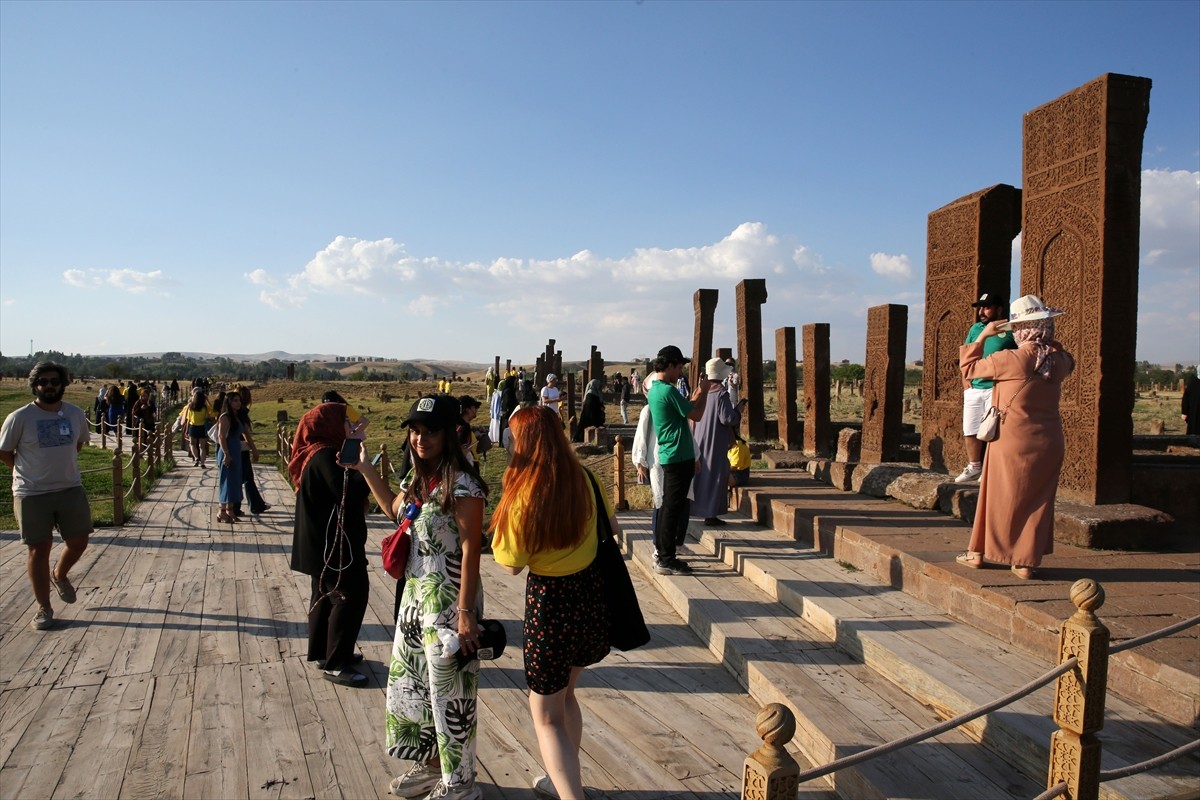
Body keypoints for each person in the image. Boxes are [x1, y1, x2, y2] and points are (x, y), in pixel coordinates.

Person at [347, 396, 488, 800]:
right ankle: (431, 766)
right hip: (413, 597)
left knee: (450, 692)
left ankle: (460, 784)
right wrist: (365, 468)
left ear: (448, 434)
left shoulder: (464, 485)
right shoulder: (418, 479)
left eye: (429, 431)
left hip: (448, 599)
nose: (420, 438)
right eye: (414, 431)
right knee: (414, 686)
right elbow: (394, 510)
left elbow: (471, 548)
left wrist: (466, 612)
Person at [490, 406, 615, 800]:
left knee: (545, 716)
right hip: (590, 597)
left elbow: (511, 564)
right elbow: (611, 528)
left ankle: (570, 794)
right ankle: (564, 779)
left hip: (550, 605)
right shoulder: (586, 478)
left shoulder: (524, 493)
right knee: (567, 696)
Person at [956, 295, 1075, 580]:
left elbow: (968, 369)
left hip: (1011, 438)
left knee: (995, 496)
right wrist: (1051, 343)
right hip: (1049, 440)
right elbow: (1067, 357)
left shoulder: (1011, 359)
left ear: (1019, 329)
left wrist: (983, 336)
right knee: (1037, 501)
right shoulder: (1059, 361)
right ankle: (1024, 562)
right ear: (1047, 326)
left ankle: (977, 553)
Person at [0, 362, 93, 631]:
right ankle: (44, 607)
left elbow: (78, 444)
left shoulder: (75, 414)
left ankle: (59, 574)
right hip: (32, 492)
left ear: (63, 384)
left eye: (54, 381)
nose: (49, 386)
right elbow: (4, 451)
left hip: (69, 488)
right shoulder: (19, 417)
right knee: (38, 549)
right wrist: (24, 472)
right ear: (35, 385)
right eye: (42, 382)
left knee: (79, 541)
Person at [288, 402, 371, 686]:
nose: (350, 426)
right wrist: (365, 469)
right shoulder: (325, 455)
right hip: (335, 545)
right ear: (330, 425)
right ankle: (337, 663)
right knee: (350, 595)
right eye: (345, 422)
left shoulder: (315, 452)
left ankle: (326, 653)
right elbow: (348, 493)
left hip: (322, 543)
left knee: (324, 595)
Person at [647, 345, 709, 575]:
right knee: (672, 509)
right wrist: (704, 391)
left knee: (668, 507)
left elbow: (685, 409)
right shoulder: (668, 391)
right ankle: (666, 558)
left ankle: (664, 554)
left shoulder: (655, 390)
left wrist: (695, 396)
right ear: (671, 365)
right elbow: (696, 415)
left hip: (670, 454)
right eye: (679, 367)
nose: (680, 372)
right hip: (678, 455)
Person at [956, 292, 1017, 483]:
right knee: (970, 428)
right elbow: (966, 353)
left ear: (999, 309)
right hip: (974, 386)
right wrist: (965, 379)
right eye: (980, 308)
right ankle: (974, 466)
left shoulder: (1011, 329)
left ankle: (990, 468)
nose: (981, 311)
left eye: (987, 307)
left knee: (993, 430)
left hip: (996, 386)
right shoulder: (976, 329)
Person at [692, 358, 747, 526]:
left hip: (699, 438)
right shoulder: (721, 393)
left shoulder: (700, 390)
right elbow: (727, 418)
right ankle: (711, 513)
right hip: (715, 440)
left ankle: (700, 509)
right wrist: (738, 410)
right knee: (716, 474)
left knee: (702, 474)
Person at [236, 385, 270, 515]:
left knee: (245, 477)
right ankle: (242, 506)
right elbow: (245, 433)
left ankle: (255, 504)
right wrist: (254, 449)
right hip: (241, 448)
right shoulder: (242, 412)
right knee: (244, 478)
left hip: (237, 447)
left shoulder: (237, 411)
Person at [215, 392, 244, 524]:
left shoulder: (236, 416)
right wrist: (226, 453)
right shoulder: (225, 417)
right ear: (229, 402)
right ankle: (222, 511)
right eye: (235, 400)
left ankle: (230, 510)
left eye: (239, 400)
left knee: (234, 481)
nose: (238, 403)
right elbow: (221, 436)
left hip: (236, 450)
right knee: (226, 480)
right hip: (228, 450)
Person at [180, 389, 212, 467]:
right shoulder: (205, 408)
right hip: (202, 427)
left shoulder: (191, 407)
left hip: (193, 427)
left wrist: (186, 430)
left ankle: (196, 458)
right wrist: (207, 400)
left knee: (192, 444)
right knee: (202, 447)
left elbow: (188, 419)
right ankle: (202, 463)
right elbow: (211, 413)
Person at [572, 378, 605, 442]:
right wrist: (600, 407)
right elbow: (592, 405)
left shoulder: (596, 392)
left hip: (594, 414)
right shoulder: (590, 394)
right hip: (590, 415)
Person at [457, 395, 482, 465]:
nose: (476, 409)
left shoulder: (460, 425)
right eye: (474, 407)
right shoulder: (464, 427)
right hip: (467, 464)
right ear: (467, 409)